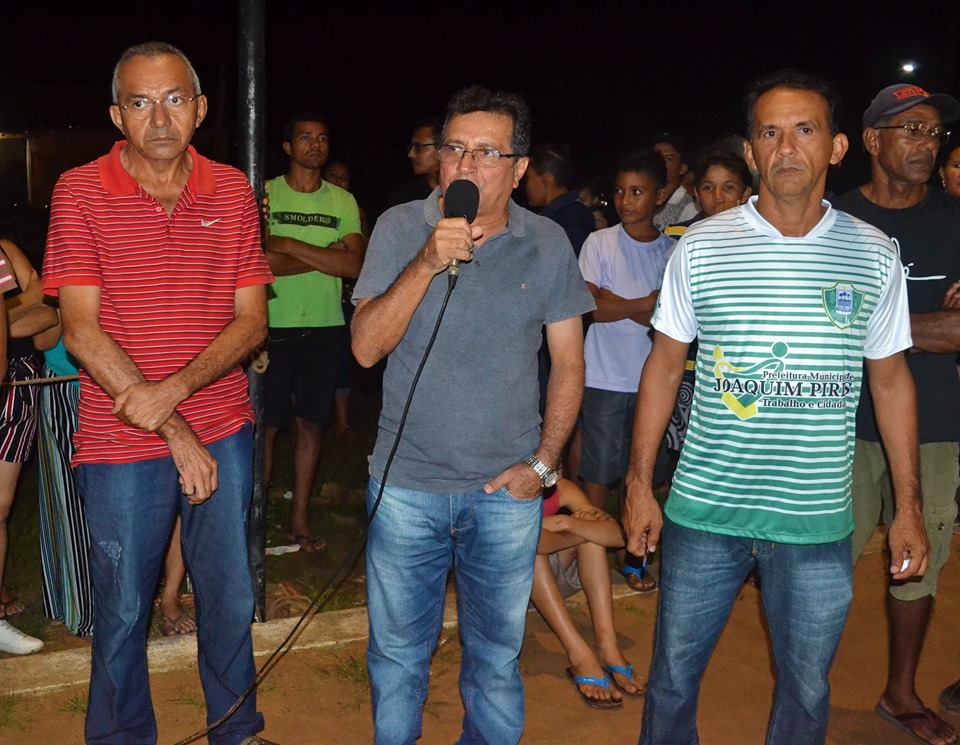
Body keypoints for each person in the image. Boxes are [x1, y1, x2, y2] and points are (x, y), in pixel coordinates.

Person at [623, 68, 928, 745]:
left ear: (837, 147)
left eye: (804, 129)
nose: (786, 147)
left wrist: (908, 505)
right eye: (769, 133)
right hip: (704, 513)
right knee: (672, 680)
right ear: (751, 152)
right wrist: (640, 484)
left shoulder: (875, 254)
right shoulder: (701, 247)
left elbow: (890, 382)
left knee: (807, 689)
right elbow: (664, 366)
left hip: (815, 523)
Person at [42, 41, 276, 745]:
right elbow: (80, 331)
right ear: (118, 116)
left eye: (174, 99)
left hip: (223, 424)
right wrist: (173, 426)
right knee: (122, 606)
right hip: (121, 435)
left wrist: (173, 392)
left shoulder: (231, 189)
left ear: (199, 109)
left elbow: (252, 320)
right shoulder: (80, 190)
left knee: (229, 595)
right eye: (140, 102)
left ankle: (235, 730)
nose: (160, 117)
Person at [351, 84, 594, 745]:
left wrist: (543, 466)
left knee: (495, 656)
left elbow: (569, 363)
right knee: (398, 656)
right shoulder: (399, 227)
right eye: (454, 148)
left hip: (505, 493)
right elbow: (366, 348)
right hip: (406, 488)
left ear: (519, 168)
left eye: (487, 152)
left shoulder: (547, 242)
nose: (465, 164)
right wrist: (427, 261)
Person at [832, 82, 960, 745]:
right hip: (839, 421)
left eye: (934, 133)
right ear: (872, 140)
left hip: (934, 423)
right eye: (911, 129)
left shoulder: (955, 221)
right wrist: (927, 326)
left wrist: (869, 328)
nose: (926, 144)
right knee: (825, 559)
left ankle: (900, 692)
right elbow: (817, 325)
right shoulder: (832, 220)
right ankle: (804, 687)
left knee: (920, 560)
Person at [263, 113, 364, 553]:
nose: (315, 145)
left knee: (311, 425)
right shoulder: (265, 193)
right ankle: (253, 517)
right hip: (269, 325)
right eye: (304, 137)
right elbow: (259, 262)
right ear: (288, 147)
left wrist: (286, 245)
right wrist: (325, 254)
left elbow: (353, 265)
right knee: (265, 427)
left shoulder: (342, 200)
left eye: (322, 138)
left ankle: (299, 517)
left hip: (324, 325)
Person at [576, 149, 675, 594]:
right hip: (603, 376)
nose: (625, 200)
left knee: (644, 473)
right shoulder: (599, 243)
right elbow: (589, 308)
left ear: (660, 196)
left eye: (637, 192)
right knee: (597, 472)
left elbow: (669, 322)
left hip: (654, 381)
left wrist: (616, 300)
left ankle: (633, 553)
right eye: (619, 191)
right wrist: (645, 303)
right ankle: (592, 553)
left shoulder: (672, 251)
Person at [532, 477, 644, 710]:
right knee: (533, 549)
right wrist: (574, 525)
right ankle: (579, 656)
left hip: (550, 582)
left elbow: (617, 536)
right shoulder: (509, 489)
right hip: (508, 587)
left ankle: (608, 648)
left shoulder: (562, 488)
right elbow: (531, 541)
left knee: (593, 539)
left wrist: (566, 523)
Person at [0, 237, 53, 654]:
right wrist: (18, 312)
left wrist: (6, 319)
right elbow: (32, 302)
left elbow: (46, 303)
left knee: (0, 506)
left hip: (18, 381)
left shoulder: (3, 248)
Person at [321, 158, 370, 438]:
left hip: (347, 296)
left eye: (344, 177)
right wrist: (331, 251)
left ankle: (342, 421)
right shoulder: (316, 207)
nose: (339, 182)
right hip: (316, 295)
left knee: (343, 358)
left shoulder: (354, 210)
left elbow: (361, 255)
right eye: (334, 176)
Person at [524, 143, 596, 257]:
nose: (526, 186)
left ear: (545, 180)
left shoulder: (573, 219)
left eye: (528, 178)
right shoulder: (561, 215)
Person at [386, 115, 443, 209]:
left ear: (443, 148)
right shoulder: (404, 198)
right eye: (411, 147)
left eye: (418, 147)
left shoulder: (462, 192)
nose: (410, 154)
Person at [649, 133, 699, 230]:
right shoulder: (644, 200)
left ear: (682, 168)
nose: (661, 162)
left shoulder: (690, 208)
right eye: (657, 157)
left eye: (668, 158)